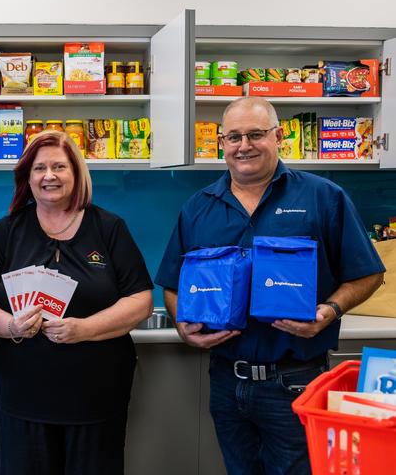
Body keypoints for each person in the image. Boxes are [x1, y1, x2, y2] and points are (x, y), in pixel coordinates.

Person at [155, 97, 385, 474]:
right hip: (228, 382)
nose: (244, 145)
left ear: (278, 137)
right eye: (234, 137)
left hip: (296, 379)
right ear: (222, 143)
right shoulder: (199, 207)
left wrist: (329, 312)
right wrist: (184, 327)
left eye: (256, 134)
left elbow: (369, 273)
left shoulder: (323, 197)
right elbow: (173, 285)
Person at [0, 130, 153, 475]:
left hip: (96, 399)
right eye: (39, 168)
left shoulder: (109, 228)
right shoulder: (7, 231)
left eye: (59, 167)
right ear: (28, 177)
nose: (48, 176)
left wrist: (85, 329)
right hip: (23, 397)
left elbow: (140, 300)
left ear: (77, 173)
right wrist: (10, 325)